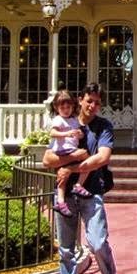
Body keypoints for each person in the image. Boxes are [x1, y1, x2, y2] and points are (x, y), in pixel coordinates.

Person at [42, 83, 124, 274]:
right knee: (66, 250)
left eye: (97, 102)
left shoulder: (103, 126)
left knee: (98, 243)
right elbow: (47, 159)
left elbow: (103, 157)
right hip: (66, 194)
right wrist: (72, 158)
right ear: (80, 100)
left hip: (91, 192)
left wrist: (69, 169)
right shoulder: (66, 122)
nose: (92, 105)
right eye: (89, 101)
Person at [49, 90, 92, 218]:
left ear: (73, 107)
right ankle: (78, 185)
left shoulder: (73, 120)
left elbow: (79, 133)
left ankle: (61, 201)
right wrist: (66, 134)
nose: (66, 110)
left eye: (68, 107)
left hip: (71, 148)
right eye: (62, 107)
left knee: (64, 175)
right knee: (86, 157)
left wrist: (80, 134)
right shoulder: (58, 119)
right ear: (57, 108)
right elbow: (52, 133)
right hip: (63, 150)